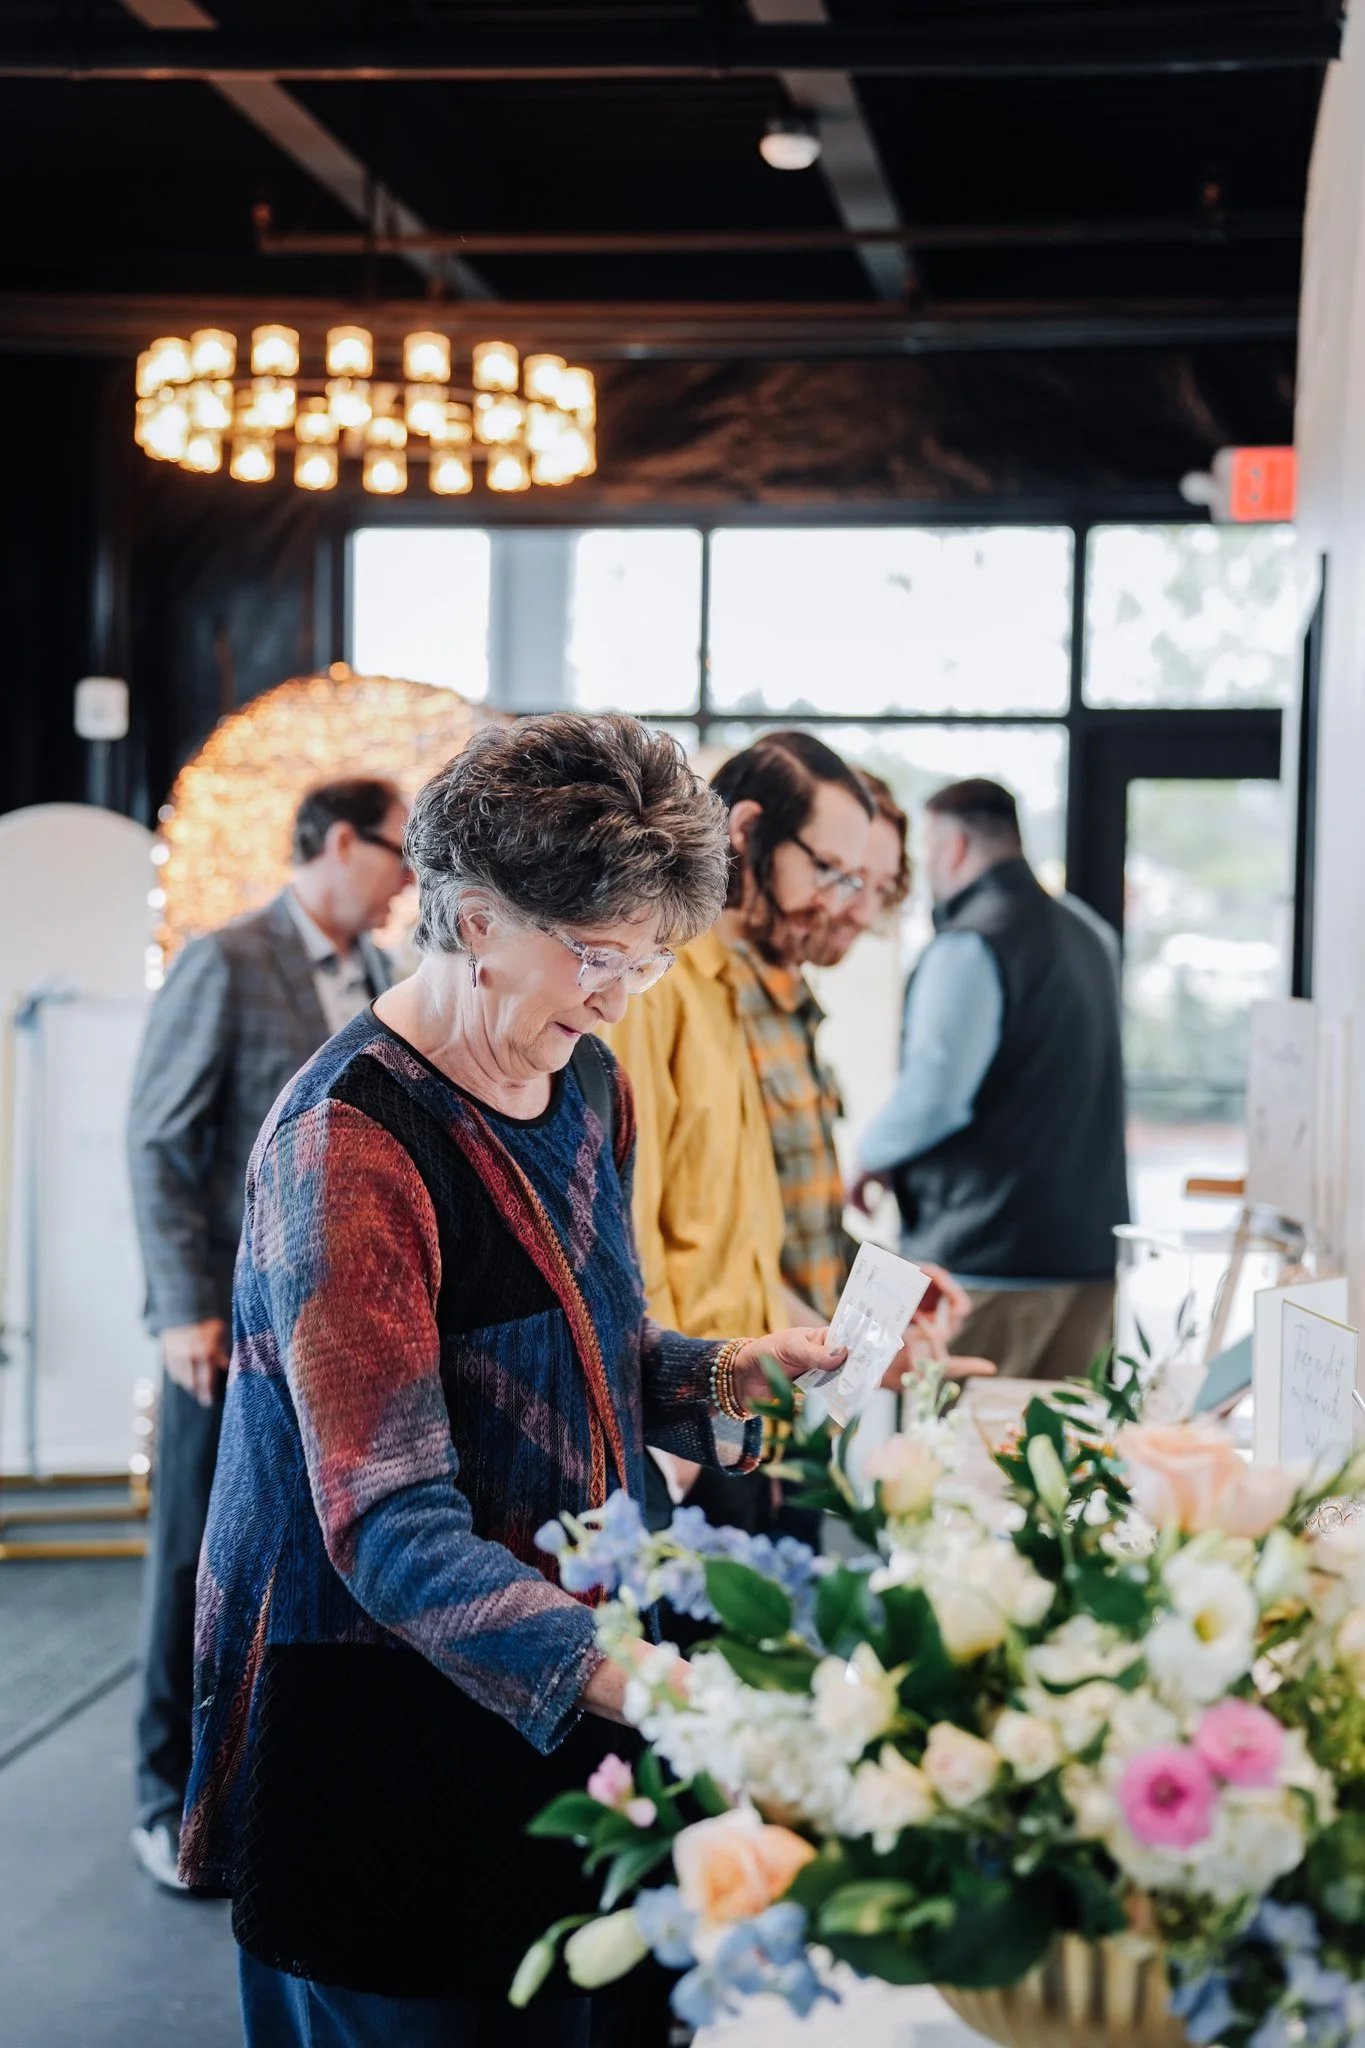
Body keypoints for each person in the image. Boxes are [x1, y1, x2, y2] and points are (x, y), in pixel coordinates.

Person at [179, 714, 845, 2048]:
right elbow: (385, 1523)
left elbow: (590, 1354)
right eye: (595, 956)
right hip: (385, 1749)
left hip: (569, 1697)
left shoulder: (585, 1082)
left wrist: (733, 1375)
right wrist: (644, 1681)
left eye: (649, 964)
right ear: (471, 917)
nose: (616, 997)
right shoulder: (352, 1145)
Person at [125, 776, 410, 1892]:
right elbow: (160, 1138)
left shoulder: (385, 976)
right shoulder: (228, 957)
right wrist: (180, 1302)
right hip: (224, 1323)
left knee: (291, 1558)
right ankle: (163, 1793)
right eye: (397, 853)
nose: (407, 883)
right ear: (339, 840)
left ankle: (264, 1799)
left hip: (335, 1340)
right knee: (193, 1556)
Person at [854, 777, 1129, 1380]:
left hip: (989, 1261)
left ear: (953, 848)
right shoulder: (1092, 935)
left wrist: (866, 1158)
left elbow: (937, 1092)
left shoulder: (972, 942)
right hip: (1089, 1257)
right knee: (1065, 1458)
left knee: (965, 1461)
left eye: (927, 852)